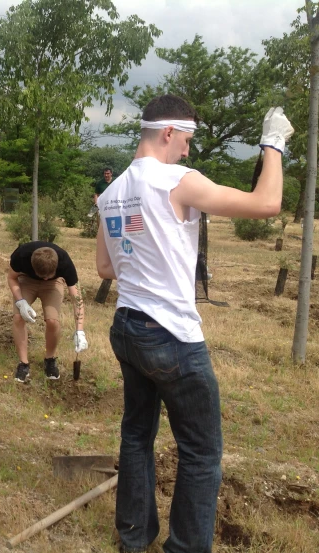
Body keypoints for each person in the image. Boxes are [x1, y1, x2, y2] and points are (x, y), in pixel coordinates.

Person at [95, 95, 293, 553]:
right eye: (185, 140)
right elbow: (267, 204)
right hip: (171, 335)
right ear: (168, 133)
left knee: (136, 436)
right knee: (201, 452)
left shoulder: (112, 191)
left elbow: (106, 267)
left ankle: (133, 539)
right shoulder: (178, 181)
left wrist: (146, 256)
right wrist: (273, 145)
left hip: (127, 326)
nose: (187, 150)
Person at [7, 242, 88, 382]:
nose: (43, 279)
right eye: (42, 276)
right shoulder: (21, 255)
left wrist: (80, 330)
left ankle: (50, 360)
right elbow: (11, 278)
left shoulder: (65, 262)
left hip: (53, 283)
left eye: (46, 276)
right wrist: (20, 301)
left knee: (52, 321)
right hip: (26, 280)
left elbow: (77, 298)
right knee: (18, 317)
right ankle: (23, 364)